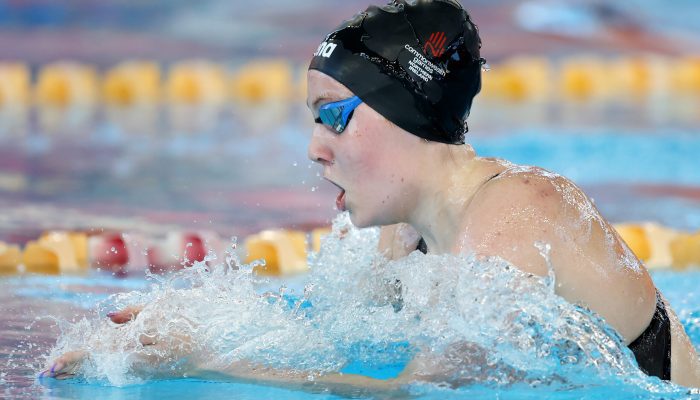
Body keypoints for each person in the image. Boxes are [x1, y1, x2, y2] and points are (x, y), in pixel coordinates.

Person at [43, 0, 700, 390]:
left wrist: (203, 362)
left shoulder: (517, 212)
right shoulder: (403, 233)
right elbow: (325, 338)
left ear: (404, 111)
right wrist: (182, 325)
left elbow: (420, 391)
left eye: (332, 116)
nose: (314, 148)